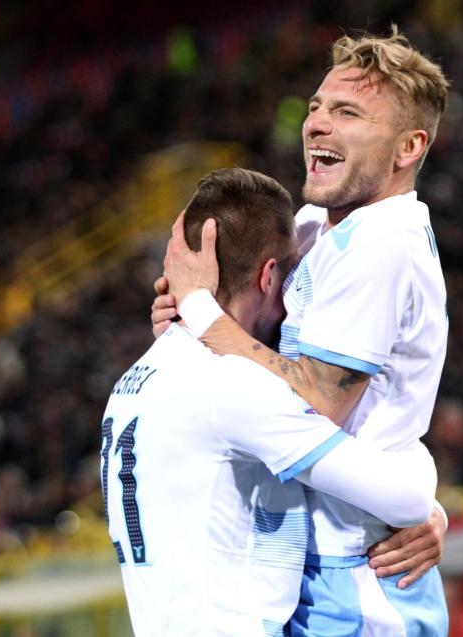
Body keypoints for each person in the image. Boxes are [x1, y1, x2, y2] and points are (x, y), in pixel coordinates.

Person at [155, 27, 452, 636]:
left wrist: (203, 315)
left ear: (407, 147)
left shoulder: (383, 244)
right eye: (317, 106)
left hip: (362, 576)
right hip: (307, 559)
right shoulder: (320, 225)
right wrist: (193, 315)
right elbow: (264, 341)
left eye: (348, 113)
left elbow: (316, 402)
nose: (316, 123)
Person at [102, 167, 439, 636]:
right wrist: (425, 486)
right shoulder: (231, 387)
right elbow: (407, 499)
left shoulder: (134, 380)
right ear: (268, 277)